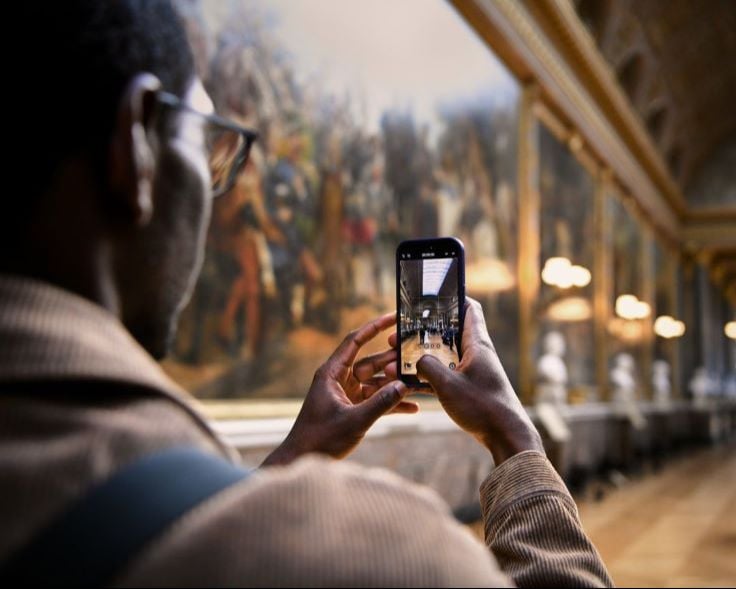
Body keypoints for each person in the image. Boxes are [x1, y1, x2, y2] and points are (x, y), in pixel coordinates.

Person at [1, 2, 612, 587]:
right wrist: (516, 441)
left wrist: (295, 453)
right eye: (207, 140)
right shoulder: (375, 555)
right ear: (134, 147)